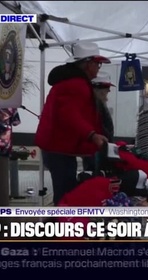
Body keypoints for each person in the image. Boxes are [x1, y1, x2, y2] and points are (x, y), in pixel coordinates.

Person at [35, 42, 111, 205]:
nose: (99, 67)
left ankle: (64, 225)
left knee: (65, 192)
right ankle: (63, 227)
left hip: (58, 148)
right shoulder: (75, 84)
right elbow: (69, 116)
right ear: (87, 63)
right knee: (65, 196)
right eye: (97, 63)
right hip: (58, 150)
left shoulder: (72, 81)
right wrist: (92, 135)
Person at [82, 71, 115, 173]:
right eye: (107, 89)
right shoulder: (95, 103)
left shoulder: (98, 103)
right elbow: (98, 125)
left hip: (99, 147)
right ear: (99, 90)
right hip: (96, 148)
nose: (108, 92)